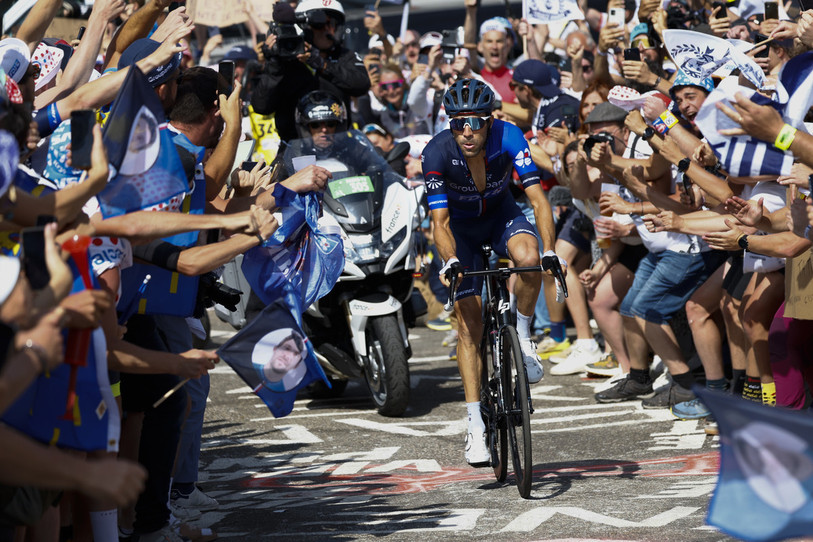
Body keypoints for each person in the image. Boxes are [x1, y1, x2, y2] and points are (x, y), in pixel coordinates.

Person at [422, 78, 561, 466]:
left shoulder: (511, 136)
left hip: (501, 216)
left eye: (476, 123)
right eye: (458, 123)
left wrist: (550, 250)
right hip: (460, 233)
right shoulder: (435, 153)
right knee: (469, 323)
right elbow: (440, 221)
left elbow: (538, 199)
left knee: (529, 257)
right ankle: (475, 425)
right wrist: (450, 261)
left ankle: (522, 331)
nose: (467, 132)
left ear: (490, 121)